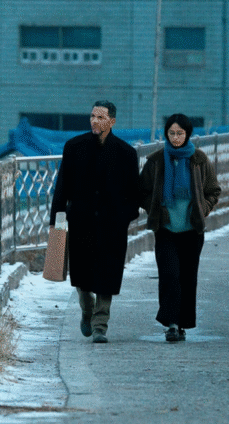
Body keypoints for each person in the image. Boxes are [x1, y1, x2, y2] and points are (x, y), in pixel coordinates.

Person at [49, 100, 140, 343]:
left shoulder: (126, 154)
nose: (94, 121)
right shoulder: (74, 147)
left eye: (100, 117)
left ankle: (100, 324)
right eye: (92, 116)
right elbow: (62, 188)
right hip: (80, 222)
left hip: (112, 226)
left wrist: (123, 218)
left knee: (106, 277)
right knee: (82, 277)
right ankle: (87, 310)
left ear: (112, 122)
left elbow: (134, 194)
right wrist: (56, 220)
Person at [139, 113, 221, 342]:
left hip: (192, 231)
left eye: (180, 133)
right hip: (165, 230)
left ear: (188, 134)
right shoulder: (156, 161)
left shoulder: (199, 160)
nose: (176, 138)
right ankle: (171, 324)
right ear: (166, 134)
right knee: (169, 275)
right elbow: (141, 192)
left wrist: (202, 208)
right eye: (172, 133)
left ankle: (182, 323)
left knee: (187, 277)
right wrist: (155, 209)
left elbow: (213, 190)